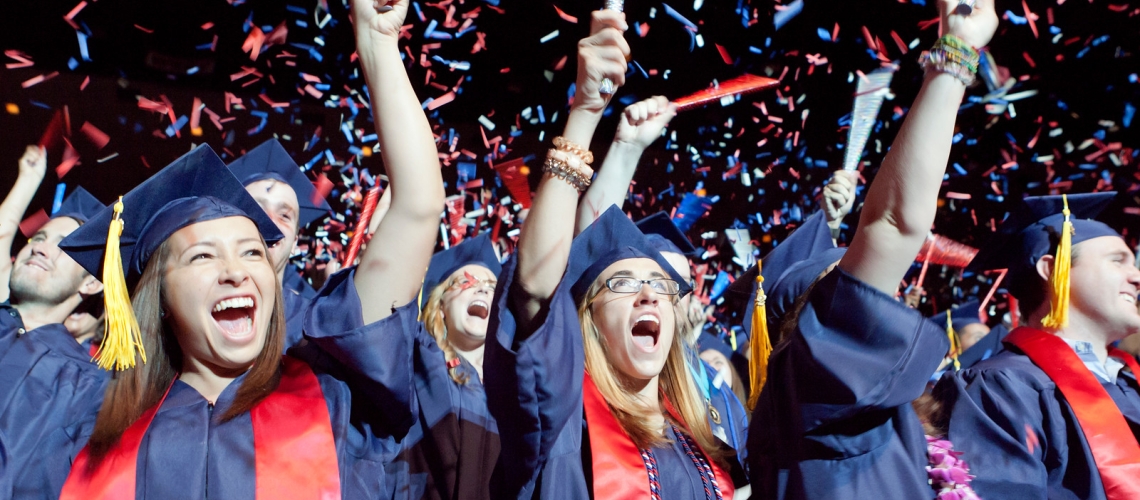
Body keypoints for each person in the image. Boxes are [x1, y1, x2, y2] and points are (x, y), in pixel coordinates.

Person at [484, 10, 746, 499]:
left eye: (660, 284)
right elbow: (540, 283)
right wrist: (586, 111)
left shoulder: (710, 438)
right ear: (587, 317)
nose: (648, 293)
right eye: (622, 284)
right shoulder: (560, 418)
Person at [745, 1, 998, 498]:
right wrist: (955, 58)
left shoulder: (869, 409)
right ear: (819, 321)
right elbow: (890, 223)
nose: (889, 296)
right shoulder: (818, 385)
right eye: (860, 281)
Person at [931, 192, 1140, 499]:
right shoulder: (1001, 388)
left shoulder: (1129, 380)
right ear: (1052, 269)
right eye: (1117, 261)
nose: (1136, 277)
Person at [0, 179, 107, 498]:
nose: (40, 246)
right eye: (39, 237)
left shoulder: (88, 386)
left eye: (64, 245)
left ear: (91, 284)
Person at [382, 232, 502, 499]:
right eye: (466, 281)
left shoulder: (514, 392)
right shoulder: (414, 361)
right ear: (441, 305)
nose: (482, 288)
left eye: (493, 286)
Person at [226, 138, 332, 349]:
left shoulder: (315, 328)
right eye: (256, 209)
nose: (271, 222)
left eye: (284, 215)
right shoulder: (200, 313)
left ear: (294, 243)